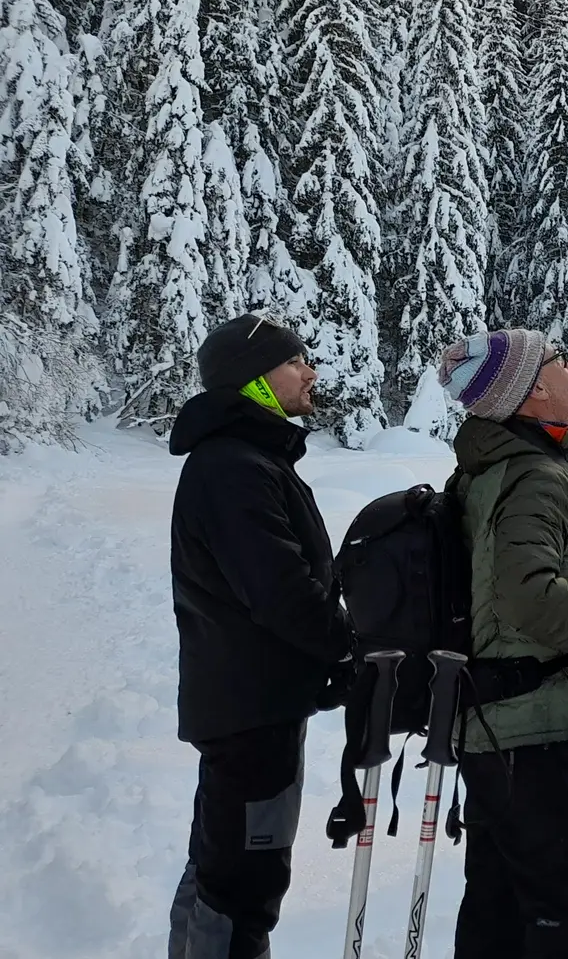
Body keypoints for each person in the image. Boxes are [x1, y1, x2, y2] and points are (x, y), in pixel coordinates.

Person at [167, 312, 357, 958]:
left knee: (219, 872)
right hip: (252, 719)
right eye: (294, 360)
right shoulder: (234, 468)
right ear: (252, 381)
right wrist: (349, 646)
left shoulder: (246, 459)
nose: (310, 371)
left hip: (250, 710)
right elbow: (281, 593)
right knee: (243, 887)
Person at [438, 328, 568, 959]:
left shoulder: (483, 471)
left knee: (498, 911)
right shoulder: (535, 475)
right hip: (538, 729)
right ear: (537, 389)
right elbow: (527, 591)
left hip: (492, 728)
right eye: (559, 361)